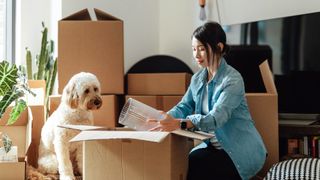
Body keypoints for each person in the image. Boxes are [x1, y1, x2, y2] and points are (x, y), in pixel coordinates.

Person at [148, 21, 267, 180]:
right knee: (187, 162)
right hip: (214, 146)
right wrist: (163, 119)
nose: (196, 55)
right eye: (194, 49)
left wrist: (180, 123)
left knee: (198, 167)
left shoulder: (232, 79)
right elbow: (184, 106)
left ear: (219, 47)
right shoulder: (197, 78)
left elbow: (216, 118)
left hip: (240, 151)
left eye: (202, 49)